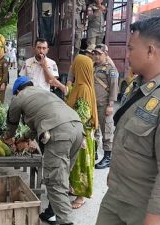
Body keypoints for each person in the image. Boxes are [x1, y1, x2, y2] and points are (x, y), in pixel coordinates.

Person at [96, 16, 160, 225]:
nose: (127, 54)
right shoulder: (138, 87)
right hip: (117, 198)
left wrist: (153, 221)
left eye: (131, 48)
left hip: (145, 211)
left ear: (150, 50)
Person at [5, 76, 84, 225]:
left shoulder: (19, 97)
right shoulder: (44, 94)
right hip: (77, 129)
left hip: (59, 133)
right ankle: (50, 213)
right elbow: (39, 124)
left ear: (17, 91)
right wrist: (24, 137)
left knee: (55, 182)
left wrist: (9, 138)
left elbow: (12, 122)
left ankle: (66, 222)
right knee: (62, 175)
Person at [53, 55, 98, 209]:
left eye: (75, 66)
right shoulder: (79, 85)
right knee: (75, 163)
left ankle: (82, 196)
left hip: (82, 133)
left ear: (81, 68)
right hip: (76, 132)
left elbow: (84, 115)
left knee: (82, 165)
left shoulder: (84, 88)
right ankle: (76, 189)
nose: (72, 68)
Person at [92, 44, 118, 169]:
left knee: (106, 131)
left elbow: (114, 87)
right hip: (93, 104)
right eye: (95, 53)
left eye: (99, 54)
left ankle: (108, 157)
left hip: (104, 105)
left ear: (105, 54)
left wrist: (111, 105)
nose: (96, 56)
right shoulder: (93, 66)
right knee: (94, 130)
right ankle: (94, 153)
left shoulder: (110, 69)